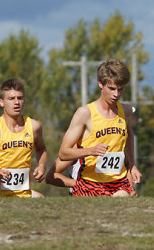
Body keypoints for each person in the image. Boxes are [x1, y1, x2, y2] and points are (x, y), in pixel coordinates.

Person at [58, 59, 142, 197]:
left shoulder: (126, 111)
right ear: (100, 84)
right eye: (112, 89)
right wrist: (91, 150)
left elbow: (129, 136)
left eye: (120, 89)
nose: (116, 94)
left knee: (125, 200)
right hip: (90, 183)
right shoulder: (84, 113)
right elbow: (63, 153)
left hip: (118, 182)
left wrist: (132, 165)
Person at [0, 78, 47, 198]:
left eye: (20, 98)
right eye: (11, 99)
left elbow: (41, 149)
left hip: (24, 197)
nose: (16, 102)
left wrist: (41, 165)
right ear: (1, 102)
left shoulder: (34, 126)